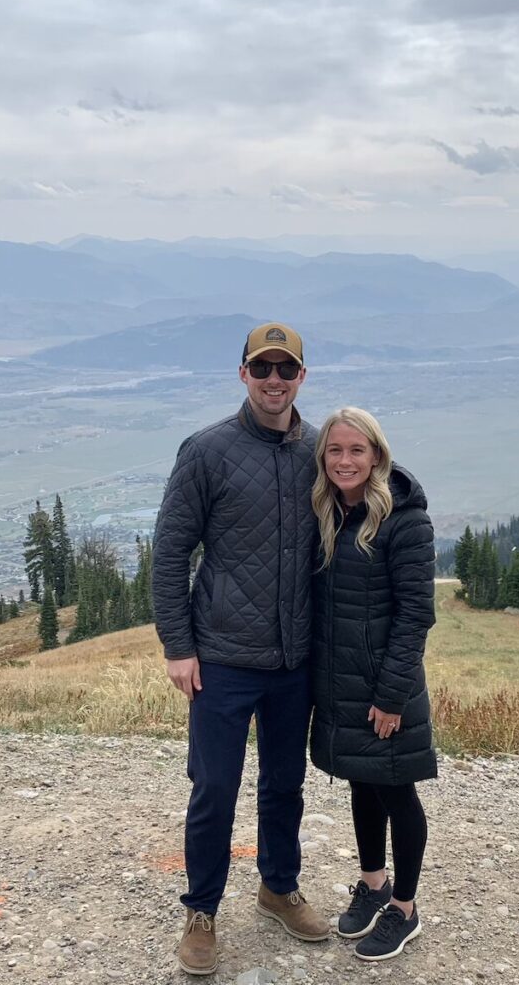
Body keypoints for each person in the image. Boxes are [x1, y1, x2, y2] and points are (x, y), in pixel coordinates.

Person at [152, 322, 329, 976]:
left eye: (286, 370)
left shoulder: (320, 448)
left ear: (302, 378)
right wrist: (178, 645)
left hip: (293, 660)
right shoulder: (206, 451)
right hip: (222, 658)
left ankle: (278, 888)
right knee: (215, 788)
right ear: (243, 374)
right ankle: (201, 913)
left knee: (285, 786)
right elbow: (171, 552)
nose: (275, 381)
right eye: (263, 369)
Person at [309, 407, 437, 962]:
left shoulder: (405, 521)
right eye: (335, 451)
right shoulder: (328, 512)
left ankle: (404, 909)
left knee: (395, 789)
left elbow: (415, 616)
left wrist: (389, 697)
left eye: (356, 450)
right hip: (340, 682)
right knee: (362, 782)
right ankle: (374, 882)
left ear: (377, 456)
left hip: (387, 685)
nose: (345, 460)